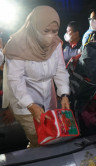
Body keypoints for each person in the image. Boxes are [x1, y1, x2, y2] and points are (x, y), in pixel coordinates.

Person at [2, 6, 70, 148]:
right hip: (25, 102)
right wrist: (31, 105)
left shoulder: (55, 44)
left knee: (50, 138)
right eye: (46, 31)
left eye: (54, 31)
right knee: (39, 139)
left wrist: (64, 94)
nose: (51, 35)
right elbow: (15, 80)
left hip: (48, 98)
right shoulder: (17, 45)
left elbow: (60, 70)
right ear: (34, 26)